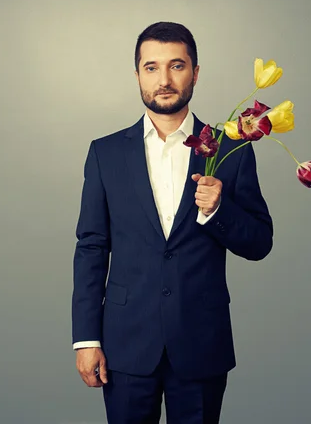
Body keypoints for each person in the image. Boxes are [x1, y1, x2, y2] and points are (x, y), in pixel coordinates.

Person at [72, 21, 274, 423]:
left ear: (195, 72)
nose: (164, 79)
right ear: (137, 75)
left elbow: (259, 243)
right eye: (151, 67)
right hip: (125, 343)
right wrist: (86, 338)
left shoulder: (231, 150)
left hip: (201, 340)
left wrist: (219, 210)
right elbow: (91, 248)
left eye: (176, 65)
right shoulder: (105, 153)